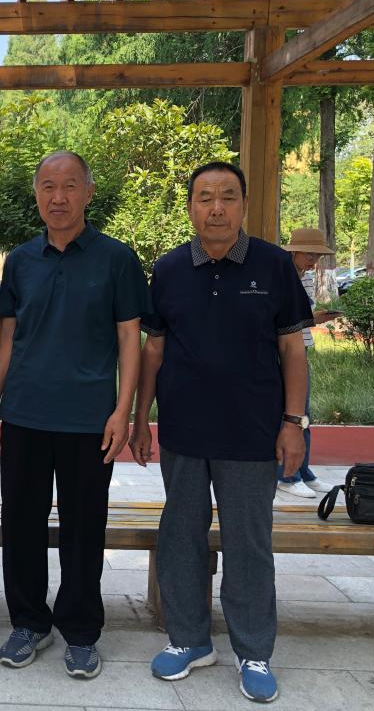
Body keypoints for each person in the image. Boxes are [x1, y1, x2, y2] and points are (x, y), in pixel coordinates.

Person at [130, 162, 311, 704]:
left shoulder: (274, 266)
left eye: (227, 196)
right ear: (190, 207)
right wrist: (141, 419)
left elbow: (292, 351)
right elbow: (154, 350)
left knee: (248, 543)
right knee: (180, 536)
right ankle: (189, 640)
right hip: (184, 433)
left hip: (253, 435)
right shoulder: (168, 269)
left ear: (243, 205)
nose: (216, 208)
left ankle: (253, 650)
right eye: (205, 197)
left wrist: (293, 424)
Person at [0, 151, 150, 678]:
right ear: (37, 194)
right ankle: (28, 622)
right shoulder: (20, 261)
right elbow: (8, 339)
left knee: (83, 529)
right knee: (21, 524)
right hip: (26, 414)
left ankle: (80, 630)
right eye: (48, 186)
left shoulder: (117, 258)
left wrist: (124, 411)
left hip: (89, 420)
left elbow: (131, 339)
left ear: (88, 193)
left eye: (70, 185)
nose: (59, 197)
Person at [278, 227, 338, 498]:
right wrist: (315, 318)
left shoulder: (308, 279)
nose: (313, 260)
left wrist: (317, 318)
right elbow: (284, 318)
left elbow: (301, 316)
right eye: (309, 254)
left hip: (301, 348)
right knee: (290, 414)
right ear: (295, 252)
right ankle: (287, 476)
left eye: (318, 255)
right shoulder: (280, 276)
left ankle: (302, 470)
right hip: (281, 351)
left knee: (303, 414)